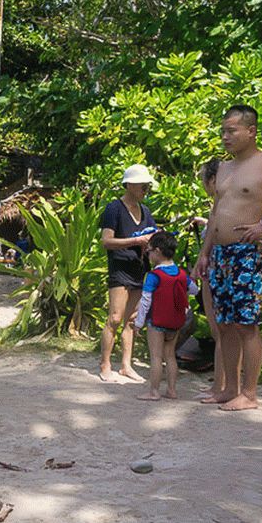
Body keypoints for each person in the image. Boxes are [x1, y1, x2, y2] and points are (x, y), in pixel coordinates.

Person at [192, 105, 262, 411]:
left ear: (251, 131)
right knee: (224, 324)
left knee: (246, 324)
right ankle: (228, 388)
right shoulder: (225, 169)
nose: (225, 136)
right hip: (219, 254)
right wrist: (204, 253)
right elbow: (216, 213)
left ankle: (250, 393)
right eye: (223, 130)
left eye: (232, 130)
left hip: (247, 253)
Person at [98, 164, 157, 382]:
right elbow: (106, 241)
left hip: (139, 269)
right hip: (120, 269)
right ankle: (105, 363)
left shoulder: (146, 211)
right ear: (130, 184)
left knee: (131, 321)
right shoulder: (114, 209)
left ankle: (126, 365)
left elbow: (151, 234)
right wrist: (135, 241)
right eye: (143, 184)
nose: (146, 188)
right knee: (114, 318)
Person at [134, 231, 198, 401]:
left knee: (156, 356)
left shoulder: (154, 276)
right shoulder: (181, 274)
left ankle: (154, 391)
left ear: (158, 251)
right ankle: (172, 390)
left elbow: (146, 301)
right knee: (170, 356)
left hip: (157, 321)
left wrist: (138, 323)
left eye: (149, 251)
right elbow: (194, 290)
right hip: (176, 322)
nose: (148, 254)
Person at [188, 159, 229, 400]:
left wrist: (199, 262)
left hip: (215, 269)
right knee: (226, 331)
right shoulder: (226, 203)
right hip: (218, 268)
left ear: (212, 180)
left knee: (220, 331)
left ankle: (221, 385)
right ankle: (223, 383)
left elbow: (215, 233)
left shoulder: (222, 201)